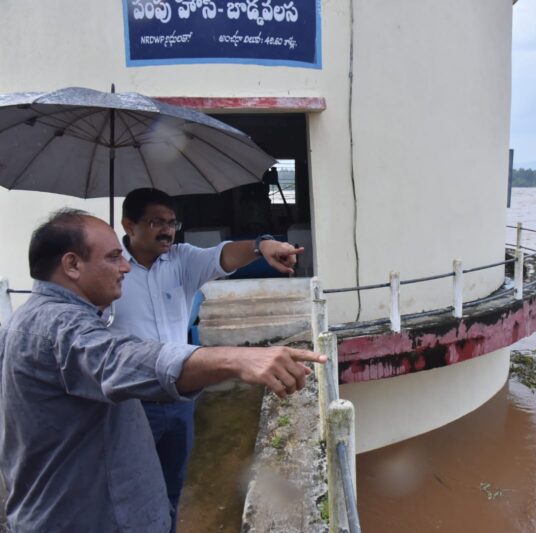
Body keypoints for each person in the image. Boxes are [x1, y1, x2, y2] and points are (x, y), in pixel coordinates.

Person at [0, 209, 325, 532]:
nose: (124, 266)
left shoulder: (32, 320)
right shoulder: (57, 326)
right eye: (113, 257)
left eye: (171, 222)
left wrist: (260, 245)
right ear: (72, 265)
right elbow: (118, 358)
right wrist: (237, 359)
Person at [108, 187, 304, 531]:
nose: (167, 229)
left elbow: (225, 254)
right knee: (126, 492)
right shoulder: (110, 272)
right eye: (156, 222)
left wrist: (263, 245)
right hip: (130, 402)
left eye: (171, 221)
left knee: (172, 486)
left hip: (178, 397)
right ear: (128, 224)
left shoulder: (182, 260)